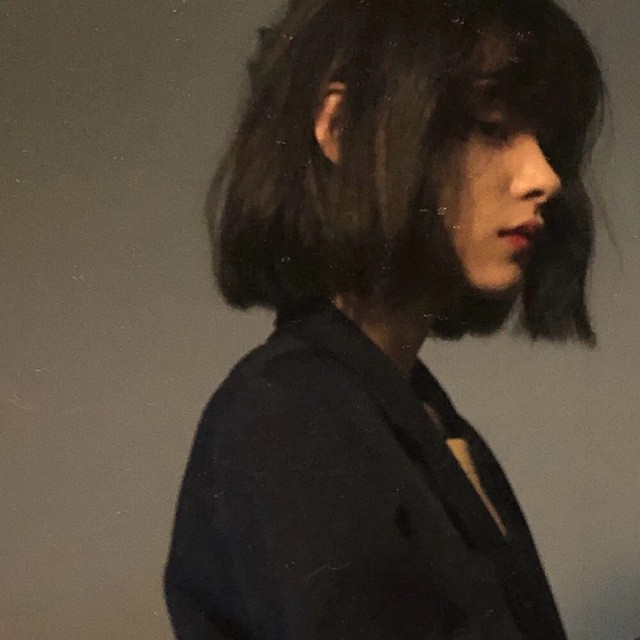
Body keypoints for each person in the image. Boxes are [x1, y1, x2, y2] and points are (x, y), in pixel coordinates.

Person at [164, 0, 605, 637]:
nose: (544, 176)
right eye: (490, 127)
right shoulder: (291, 412)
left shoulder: (410, 412)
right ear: (342, 128)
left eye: (544, 137)